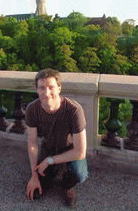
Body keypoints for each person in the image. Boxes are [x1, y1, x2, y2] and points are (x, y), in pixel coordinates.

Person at [25, 68, 88, 207]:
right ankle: (51, 172)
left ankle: (66, 186)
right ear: (36, 90)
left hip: (70, 149)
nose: (46, 93)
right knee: (40, 184)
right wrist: (33, 176)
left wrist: (49, 161)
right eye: (42, 88)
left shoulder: (74, 110)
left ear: (59, 88)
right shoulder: (32, 110)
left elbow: (80, 152)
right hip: (49, 147)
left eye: (51, 87)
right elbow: (32, 143)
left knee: (80, 174)